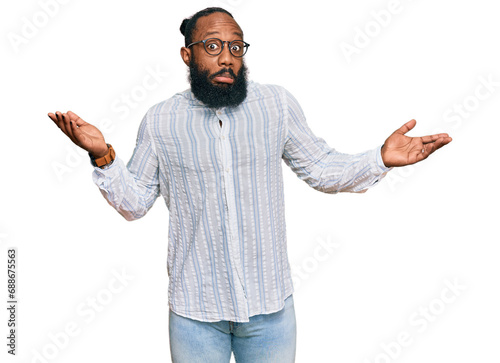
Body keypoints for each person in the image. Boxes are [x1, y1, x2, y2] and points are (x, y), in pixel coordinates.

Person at [47, 7, 452, 363]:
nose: (227, 58)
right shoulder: (160, 121)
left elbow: (322, 168)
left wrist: (380, 157)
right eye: (213, 46)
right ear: (187, 55)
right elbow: (134, 203)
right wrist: (102, 154)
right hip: (195, 311)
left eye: (236, 47)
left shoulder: (275, 105)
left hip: (270, 309)